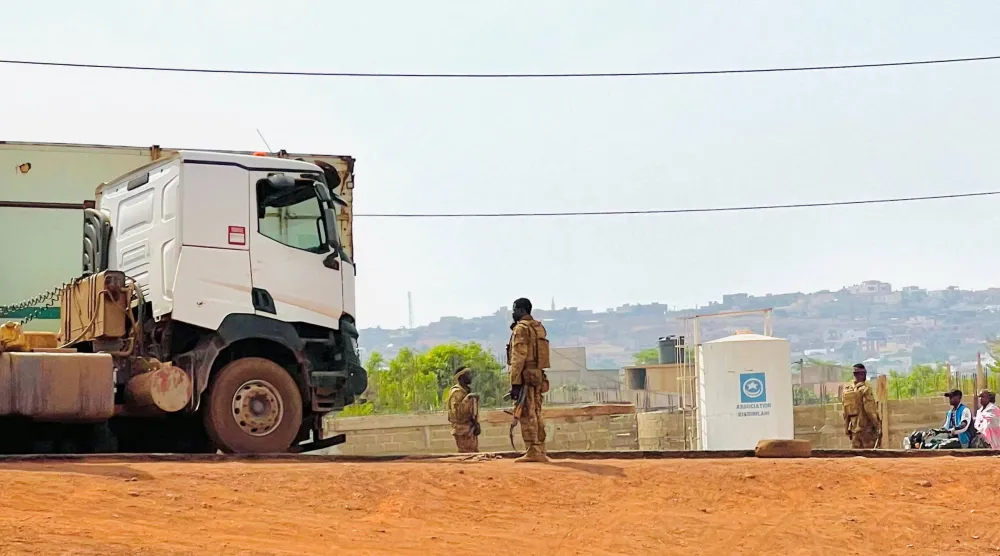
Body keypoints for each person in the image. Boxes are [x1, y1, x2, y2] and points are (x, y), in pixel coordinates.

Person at [507, 297, 550, 463]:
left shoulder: (521, 329)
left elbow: (519, 357)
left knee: (526, 412)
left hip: (525, 376)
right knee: (537, 412)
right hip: (538, 375)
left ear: (521, 310)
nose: (513, 313)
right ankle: (541, 448)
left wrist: (514, 383)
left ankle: (533, 450)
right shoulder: (537, 327)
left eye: (514, 309)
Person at [842, 363, 881, 449]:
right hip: (867, 431)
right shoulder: (865, 390)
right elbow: (870, 410)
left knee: (856, 457)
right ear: (862, 374)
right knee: (871, 457)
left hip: (854, 432)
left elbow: (845, 413)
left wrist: (846, 428)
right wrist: (878, 426)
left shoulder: (847, 391)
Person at [446, 366, 480, 453]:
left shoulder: (466, 391)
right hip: (462, 430)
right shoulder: (456, 392)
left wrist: (476, 423)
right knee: (466, 454)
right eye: (468, 374)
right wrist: (468, 398)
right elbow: (457, 413)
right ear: (461, 377)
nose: (471, 376)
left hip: (470, 429)